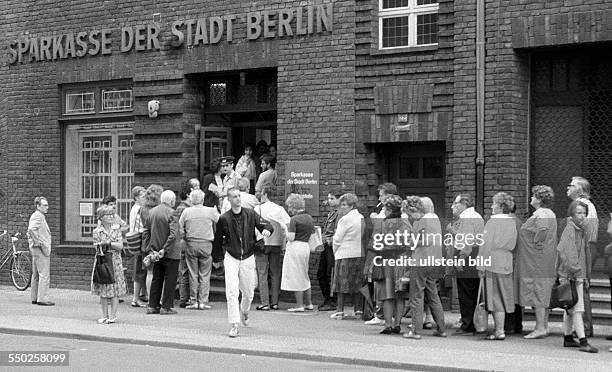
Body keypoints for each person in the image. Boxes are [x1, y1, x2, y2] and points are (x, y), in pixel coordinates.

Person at [213, 188, 272, 337]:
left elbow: (266, 225)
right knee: (232, 292)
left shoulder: (250, 214)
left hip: (247, 256)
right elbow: (218, 240)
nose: (238, 199)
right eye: (234, 196)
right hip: (231, 257)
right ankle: (234, 324)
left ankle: (244, 311)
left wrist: (267, 230)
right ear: (229, 200)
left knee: (249, 292)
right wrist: (217, 259)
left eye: (239, 196)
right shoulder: (224, 218)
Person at [516, 185, 557, 339]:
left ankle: (540, 327)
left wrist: (537, 244)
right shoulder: (549, 213)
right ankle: (543, 326)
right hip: (542, 259)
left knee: (538, 291)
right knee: (542, 292)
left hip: (537, 261)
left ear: (539, 199)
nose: (531, 198)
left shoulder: (541, 213)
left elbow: (543, 230)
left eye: (533, 196)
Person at [557, 200, 598, 353]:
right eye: (579, 213)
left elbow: (580, 254)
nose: (582, 216)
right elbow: (568, 253)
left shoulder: (578, 230)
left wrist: (585, 274)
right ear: (572, 213)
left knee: (569, 309)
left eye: (584, 213)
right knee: (578, 309)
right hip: (573, 275)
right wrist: (578, 272)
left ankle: (567, 338)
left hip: (573, 274)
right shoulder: (572, 230)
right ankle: (583, 342)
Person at [403, 196, 447, 339]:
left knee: (416, 297)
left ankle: (415, 330)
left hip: (421, 262)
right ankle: (441, 329)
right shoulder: (435, 219)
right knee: (433, 295)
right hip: (434, 261)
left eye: (410, 213)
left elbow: (425, 240)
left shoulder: (422, 221)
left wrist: (411, 241)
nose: (410, 216)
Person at [478, 192, 517, 341]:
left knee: (495, 298)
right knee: (503, 296)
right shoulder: (511, 222)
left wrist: (480, 264)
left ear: (500, 207)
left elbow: (485, 245)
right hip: (506, 261)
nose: (491, 206)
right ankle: (500, 329)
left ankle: (499, 330)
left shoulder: (492, 222)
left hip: (492, 261)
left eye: (494, 203)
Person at [370, 195, 410, 334]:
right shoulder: (406, 223)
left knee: (387, 295)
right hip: (401, 261)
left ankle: (387, 324)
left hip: (386, 261)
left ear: (388, 209)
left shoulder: (382, 224)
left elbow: (375, 243)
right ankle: (397, 324)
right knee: (399, 294)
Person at [567, 176, 597, 337]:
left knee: (581, 286)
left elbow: (587, 232)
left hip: (583, 248)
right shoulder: (584, 205)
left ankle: (584, 328)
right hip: (583, 247)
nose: (568, 187)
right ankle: (581, 327)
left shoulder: (583, 206)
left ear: (580, 189)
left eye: (571, 185)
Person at [450, 194, 485, 334]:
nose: (454, 206)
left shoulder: (466, 217)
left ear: (464, 204)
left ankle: (467, 324)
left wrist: (460, 258)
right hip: (476, 254)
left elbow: (467, 241)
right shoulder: (477, 216)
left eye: (456, 203)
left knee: (465, 291)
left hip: (467, 255)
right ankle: (472, 322)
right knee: (473, 290)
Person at [179, 189, 220, 310]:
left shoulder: (186, 212)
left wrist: (184, 236)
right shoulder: (210, 211)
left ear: (191, 200)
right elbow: (221, 220)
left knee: (193, 273)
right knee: (205, 274)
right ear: (202, 199)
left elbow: (180, 228)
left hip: (191, 243)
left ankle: (193, 300)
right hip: (206, 243)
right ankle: (203, 301)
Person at [254, 185, 290, 311]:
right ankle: (275, 302)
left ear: (265, 194)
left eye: (261, 193)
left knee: (262, 273)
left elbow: (253, 227)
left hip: (261, 243)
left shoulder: (257, 208)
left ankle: (265, 302)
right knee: (275, 273)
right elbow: (287, 223)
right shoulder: (279, 209)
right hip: (276, 243)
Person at [330, 193, 365, 319]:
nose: (342, 207)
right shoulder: (361, 217)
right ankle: (358, 310)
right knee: (357, 283)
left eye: (344, 205)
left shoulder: (344, 219)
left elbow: (337, 239)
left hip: (344, 253)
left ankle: (340, 310)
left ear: (352, 206)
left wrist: (335, 251)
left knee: (341, 283)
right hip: (358, 253)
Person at [146, 190, 181, 315]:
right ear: (171, 200)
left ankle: (152, 305)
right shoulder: (172, 213)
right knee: (170, 279)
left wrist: (150, 249)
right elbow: (173, 234)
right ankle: (166, 306)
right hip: (170, 252)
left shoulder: (152, 212)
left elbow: (146, 232)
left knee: (157, 278)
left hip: (155, 250)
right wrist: (164, 249)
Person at [91, 205, 127, 324]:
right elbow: (97, 247)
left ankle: (113, 316)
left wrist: (108, 243)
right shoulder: (96, 231)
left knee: (115, 289)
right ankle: (104, 315)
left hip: (115, 261)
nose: (111, 216)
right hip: (103, 261)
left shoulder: (117, 229)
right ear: (101, 217)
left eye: (112, 214)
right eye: (108, 215)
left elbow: (120, 246)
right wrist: (106, 245)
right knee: (104, 289)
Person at [281, 194, 315, 312]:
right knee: (304, 274)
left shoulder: (294, 219)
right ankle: (309, 303)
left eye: (289, 206)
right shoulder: (309, 217)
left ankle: (299, 305)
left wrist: (284, 229)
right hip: (305, 246)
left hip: (295, 247)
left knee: (296, 275)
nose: (288, 209)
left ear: (293, 206)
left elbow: (291, 237)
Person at [317, 189, 343, 311]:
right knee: (321, 274)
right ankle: (327, 298)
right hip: (326, 245)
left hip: (332, 246)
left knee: (330, 274)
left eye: (332, 198)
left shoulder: (340, 214)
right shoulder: (332, 213)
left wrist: (330, 239)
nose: (329, 201)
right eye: (329, 198)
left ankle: (332, 300)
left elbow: (338, 231)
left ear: (339, 199)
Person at [27, 196, 54, 306]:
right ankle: (42, 298)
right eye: (45, 205)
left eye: (47, 205)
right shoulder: (38, 216)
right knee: (44, 274)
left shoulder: (39, 216)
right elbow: (31, 229)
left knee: (36, 274)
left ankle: (35, 297)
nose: (47, 207)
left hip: (37, 249)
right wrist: (38, 242)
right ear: (38, 206)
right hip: (40, 249)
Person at [140, 184, 164, 300]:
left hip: (146, 241)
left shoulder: (143, 209)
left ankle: (150, 297)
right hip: (158, 241)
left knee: (149, 272)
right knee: (159, 272)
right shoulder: (158, 210)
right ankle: (158, 298)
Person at [177, 179, 196, 308]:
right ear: (189, 194)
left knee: (184, 270)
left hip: (181, 242)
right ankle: (184, 298)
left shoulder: (179, 208)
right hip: (185, 242)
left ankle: (184, 297)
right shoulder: (185, 209)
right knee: (184, 270)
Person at [129, 186, 148, 307]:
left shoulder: (136, 208)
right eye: (142, 196)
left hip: (137, 240)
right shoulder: (139, 209)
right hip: (139, 240)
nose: (145, 198)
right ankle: (135, 298)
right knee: (139, 270)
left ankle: (142, 294)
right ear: (136, 198)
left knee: (141, 269)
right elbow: (140, 226)